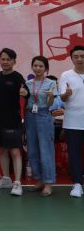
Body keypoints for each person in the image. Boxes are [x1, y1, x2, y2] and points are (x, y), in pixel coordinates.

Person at [0, 47, 29, 197]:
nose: (5, 62)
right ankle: (6, 179)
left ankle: (17, 183)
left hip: (12, 120)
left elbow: (26, 93)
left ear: (14, 61)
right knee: (2, 149)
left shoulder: (17, 77)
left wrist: (25, 93)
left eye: (8, 59)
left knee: (14, 151)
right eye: (3, 59)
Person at [24, 55, 56, 196]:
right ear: (32, 67)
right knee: (32, 150)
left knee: (45, 150)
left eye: (41, 66)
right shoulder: (28, 83)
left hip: (43, 115)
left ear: (46, 68)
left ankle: (48, 183)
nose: (38, 68)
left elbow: (50, 105)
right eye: (35, 65)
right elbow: (26, 100)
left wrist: (50, 97)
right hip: (30, 115)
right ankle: (40, 180)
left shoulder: (51, 83)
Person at [59, 45, 84, 198]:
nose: (80, 59)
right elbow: (62, 97)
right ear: (72, 59)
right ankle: (77, 184)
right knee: (74, 154)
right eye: (76, 57)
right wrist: (66, 94)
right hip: (73, 122)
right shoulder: (66, 75)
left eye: (82, 56)